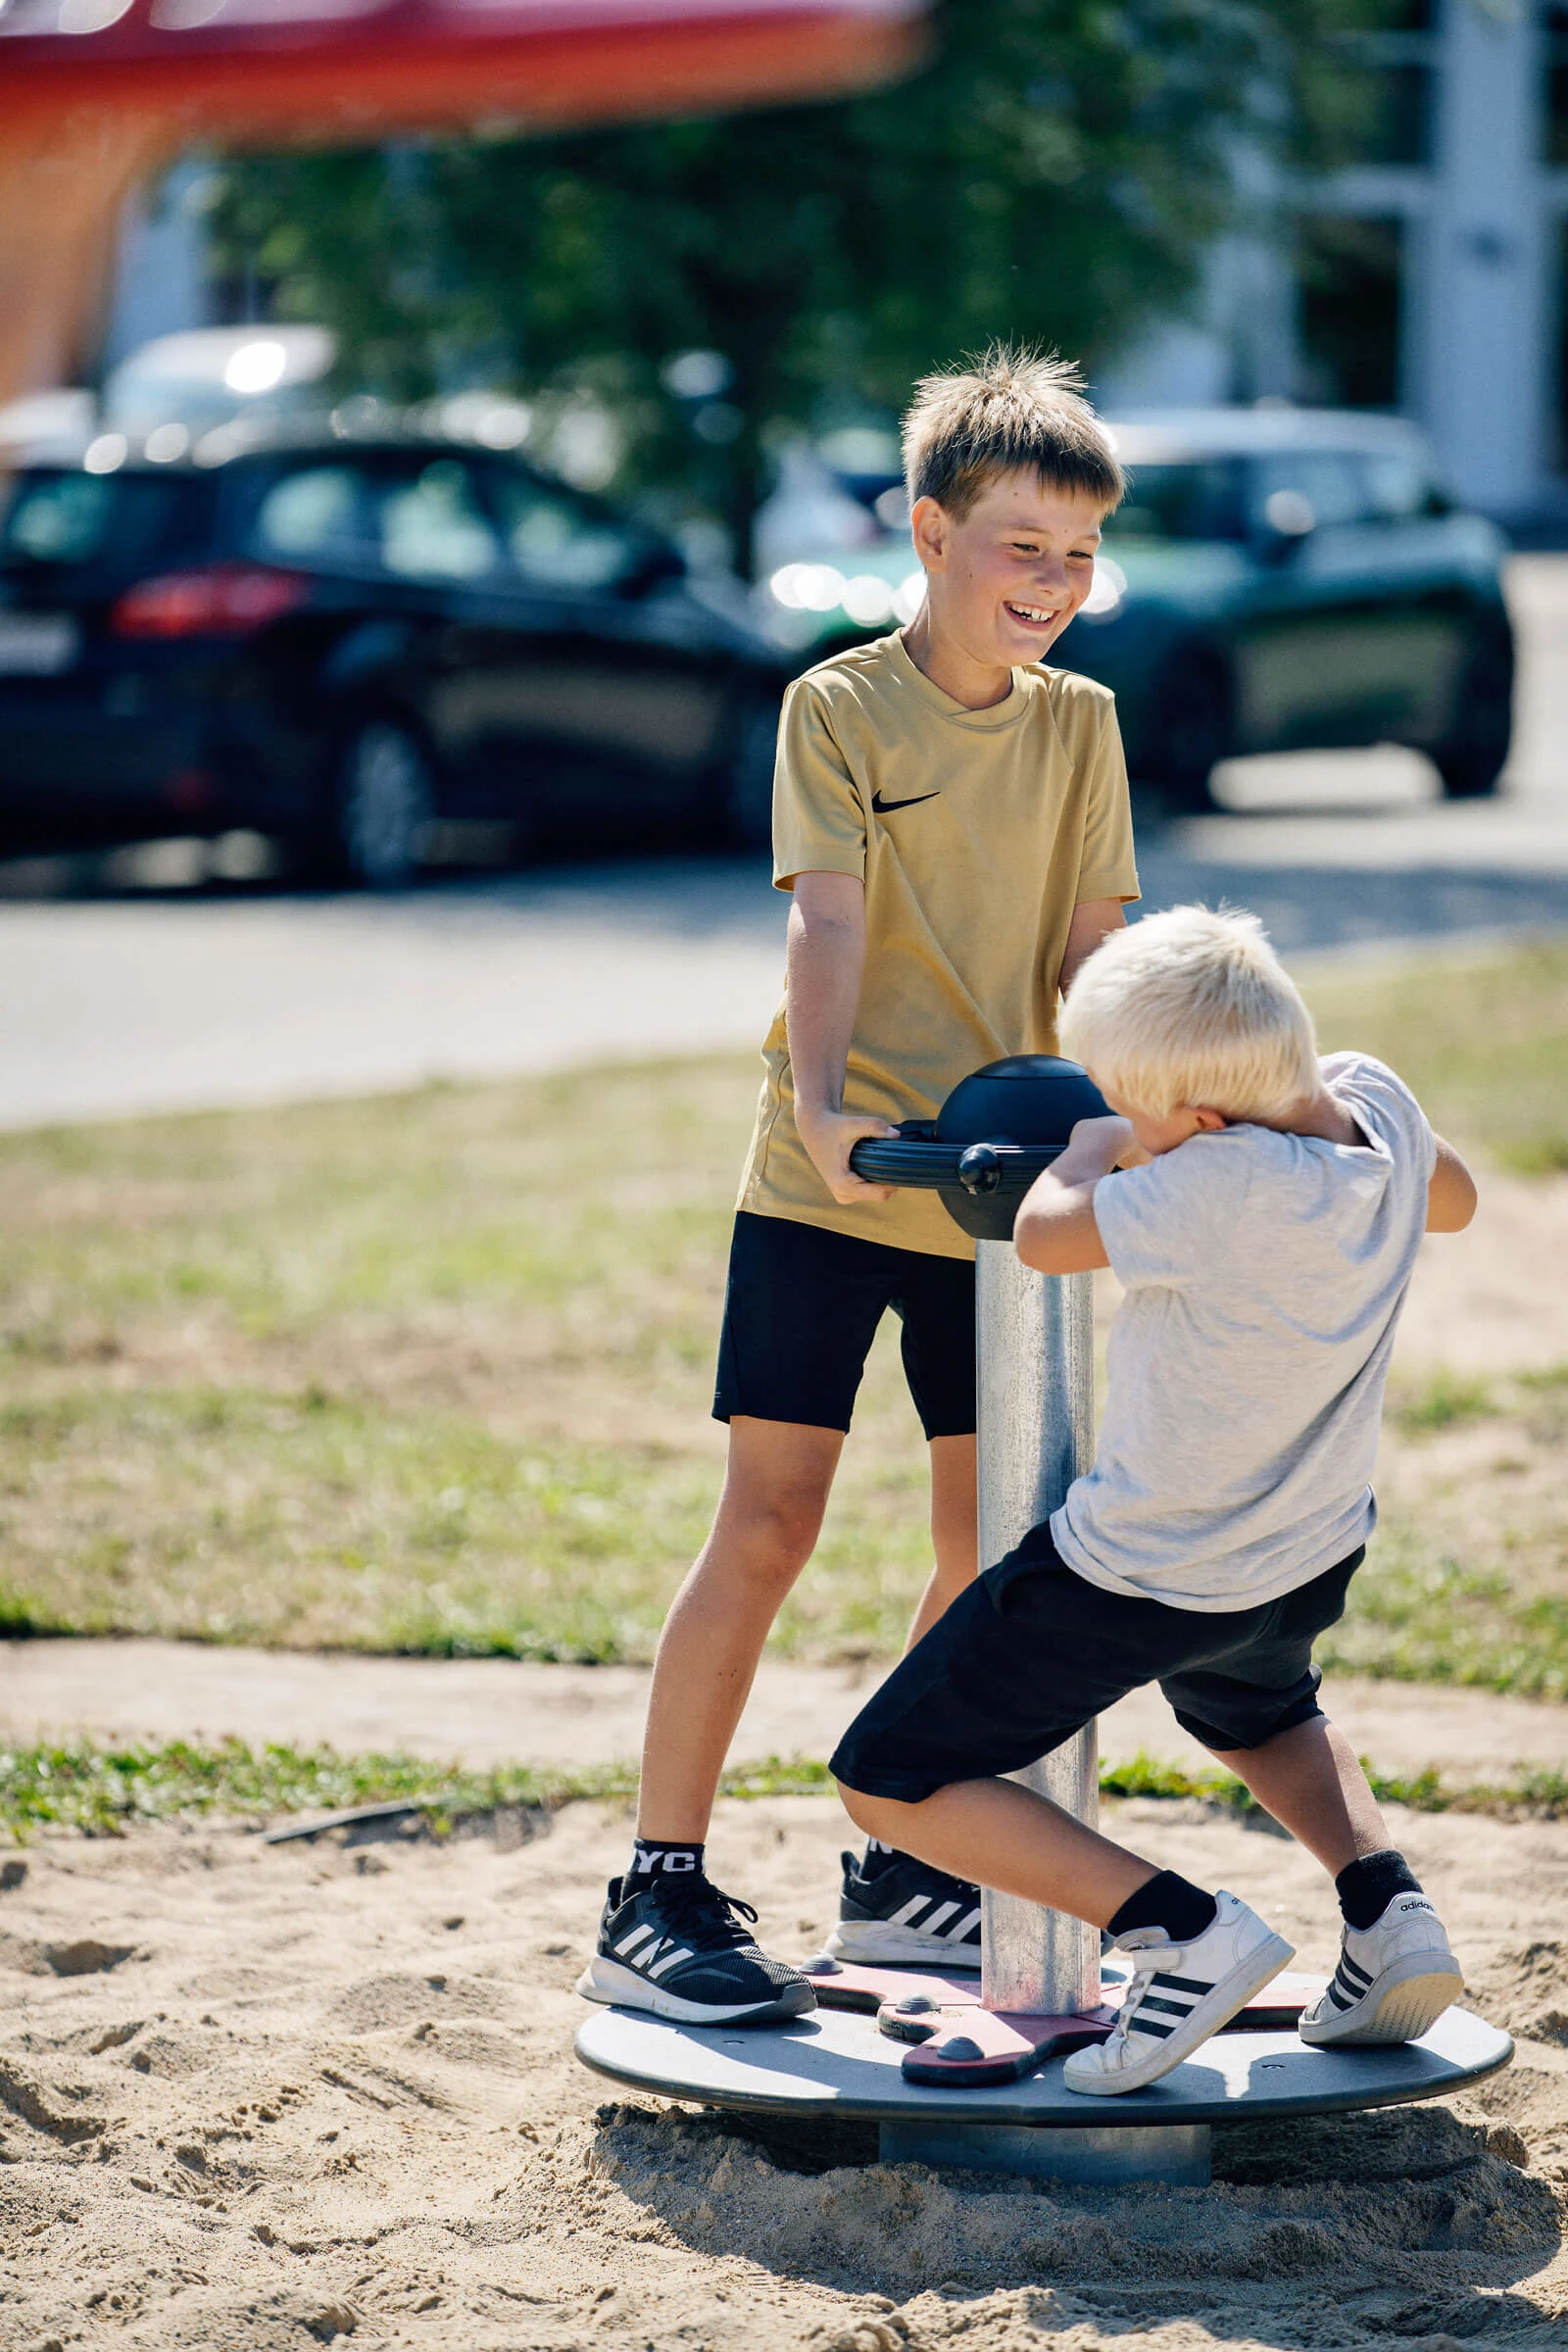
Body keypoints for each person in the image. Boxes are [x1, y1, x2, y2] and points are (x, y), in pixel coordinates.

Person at [577, 348, 1141, 2025]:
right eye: (1023, 547)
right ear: (930, 532)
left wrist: (1126, 1122)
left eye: (1080, 557)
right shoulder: (835, 706)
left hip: (999, 1201)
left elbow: (1096, 952)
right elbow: (825, 919)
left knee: (991, 1537)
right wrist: (825, 1108)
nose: (1052, 584)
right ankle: (655, 1887)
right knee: (771, 1522)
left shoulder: (1085, 728)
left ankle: (902, 1869)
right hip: (835, 1181)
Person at [831, 906, 1477, 2092]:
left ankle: (1179, 1930)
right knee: (1257, 1711)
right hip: (1304, 1549)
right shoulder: (1375, 1105)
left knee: (891, 1778)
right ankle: (1387, 1912)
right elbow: (1455, 1199)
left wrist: (1083, 1155)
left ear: (1196, 1120)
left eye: (1127, 1104)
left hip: (1138, 1568)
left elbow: (1044, 1238)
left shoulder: (1214, 1184)